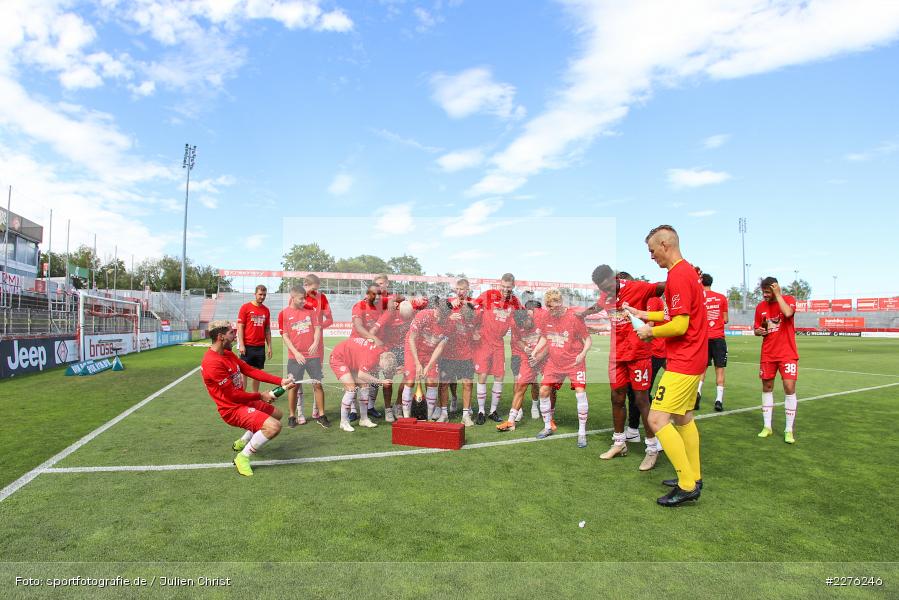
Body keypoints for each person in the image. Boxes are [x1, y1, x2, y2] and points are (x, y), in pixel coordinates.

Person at [625, 225, 707, 506]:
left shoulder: (679, 275)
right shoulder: (682, 273)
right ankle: (694, 476)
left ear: (664, 244)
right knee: (683, 418)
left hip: (684, 360)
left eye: (651, 251)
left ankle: (687, 486)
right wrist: (643, 313)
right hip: (691, 358)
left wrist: (650, 331)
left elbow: (681, 324)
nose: (651, 257)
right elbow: (673, 313)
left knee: (657, 419)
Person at [589, 265, 664, 470]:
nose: (607, 291)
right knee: (616, 397)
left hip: (639, 354)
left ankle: (651, 449)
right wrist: (579, 315)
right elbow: (597, 307)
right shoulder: (605, 296)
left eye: (608, 286)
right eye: (602, 288)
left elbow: (661, 287)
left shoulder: (636, 287)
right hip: (617, 356)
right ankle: (619, 443)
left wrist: (684, 279)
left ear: (615, 278)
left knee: (641, 400)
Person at [201, 320, 295, 477]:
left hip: (242, 401)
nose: (236, 336)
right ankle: (243, 457)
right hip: (231, 409)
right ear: (220, 337)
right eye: (231, 332)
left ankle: (245, 439)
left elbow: (250, 371)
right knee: (274, 427)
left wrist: (280, 381)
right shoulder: (212, 363)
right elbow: (233, 395)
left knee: (277, 414)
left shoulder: (228, 354)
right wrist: (261, 395)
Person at [534, 288, 592, 448]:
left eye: (553, 306)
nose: (551, 309)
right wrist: (536, 350)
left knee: (580, 394)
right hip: (554, 362)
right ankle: (547, 427)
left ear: (561, 303)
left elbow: (587, 339)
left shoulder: (574, 317)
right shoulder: (547, 316)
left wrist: (583, 353)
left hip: (574, 362)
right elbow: (545, 337)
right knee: (543, 391)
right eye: (549, 306)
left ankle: (581, 432)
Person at [754, 277, 799, 444]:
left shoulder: (787, 300)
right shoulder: (760, 307)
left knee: (789, 387)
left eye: (768, 292)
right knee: (767, 387)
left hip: (787, 353)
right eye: (763, 292)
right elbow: (756, 330)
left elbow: (788, 313)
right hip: (768, 354)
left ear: (775, 289)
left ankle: (788, 430)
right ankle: (767, 426)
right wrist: (759, 331)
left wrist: (778, 295)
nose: (765, 295)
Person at [474, 273, 522, 424]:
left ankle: (493, 411)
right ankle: (481, 411)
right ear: (499, 285)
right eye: (503, 286)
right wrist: (474, 329)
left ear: (513, 286)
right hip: (484, 341)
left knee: (499, 377)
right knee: (482, 376)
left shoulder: (515, 302)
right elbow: (472, 308)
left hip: (499, 343)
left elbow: (521, 318)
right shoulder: (488, 295)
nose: (506, 289)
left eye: (509, 287)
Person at [279, 285, 325, 429]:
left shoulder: (310, 310)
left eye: (304, 298)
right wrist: (296, 352)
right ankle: (292, 416)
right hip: (295, 357)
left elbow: (317, 328)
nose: (304, 301)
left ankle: (322, 415)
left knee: (317, 384)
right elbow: (285, 336)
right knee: (293, 386)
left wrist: (316, 343)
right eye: (301, 298)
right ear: (292, 298)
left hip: (313, 356)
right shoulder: (284, 313)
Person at [329, 337, 397, 432]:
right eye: (382, 367)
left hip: (350, 360)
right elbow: (362, 375)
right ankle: (343, 422)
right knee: (351, 389)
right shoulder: (372, 357)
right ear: (381, 359)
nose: (381, 369)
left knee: (365, 386)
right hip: (339, 358)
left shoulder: (383, 352)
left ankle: (364, 419)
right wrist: (380, 381)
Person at [497, 304, 547, 432]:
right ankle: (511, 421)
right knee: (520, 385)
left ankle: (548, 417)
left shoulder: (542, 317)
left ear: (529, 317)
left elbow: (551, 339)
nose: (524, 328)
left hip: (546, 355)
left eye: (525, 325)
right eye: (521, 327)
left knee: (548, 387)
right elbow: (518, 340)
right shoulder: (515, 323)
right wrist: (526, 348)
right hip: (529, 356)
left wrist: (540, 355)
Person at [401, 297, 451, 421]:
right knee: (411, 380)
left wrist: (428, 366)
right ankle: (406, 416)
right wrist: (418, 363)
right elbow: (411, 339)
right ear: (436, 308)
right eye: (439, 313)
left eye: (444, 315)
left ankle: (428, 416)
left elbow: (439, 348)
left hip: (430, 353)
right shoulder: (423, 315)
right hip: (413, 349)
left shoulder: (449, 324)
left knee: (432, 381)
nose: (440, 318)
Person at [440, 279, 479, 426]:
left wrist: (476, 331)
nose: (459, 291)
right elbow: (439, 319)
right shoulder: (448, 302)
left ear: (468, 289)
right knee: (444, 384)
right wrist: (449, 316)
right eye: (457, 288)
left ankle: (465, 415)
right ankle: (444, 414)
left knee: (467, 384)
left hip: (466, 353)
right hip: (448, 352)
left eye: (462, 289)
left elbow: (479, 321)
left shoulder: (473, 304)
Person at [303, 274, 333, 426]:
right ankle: (298, 413)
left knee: (317, 380)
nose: (316, 292)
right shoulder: (297, 298)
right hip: (300, 345)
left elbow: (330, 319)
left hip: (317, 346)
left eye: (317, 289)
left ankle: (318, 412)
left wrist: (318, 328)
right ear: (306, 285)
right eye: (313, 289)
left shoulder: (322, 298)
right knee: (296, 381)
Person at [699, 273, 728, 412]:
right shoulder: (722, 298)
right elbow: (726, 319)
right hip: (718, 338)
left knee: (702, 369)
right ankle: (718, 400)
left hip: (704, 338)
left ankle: (698, 393)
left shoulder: (699, 298)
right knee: (720, 369)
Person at [236, 285, 272, 393]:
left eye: (264, 295)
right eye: (260, 294)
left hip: (260, 347)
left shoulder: (266, 310)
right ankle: (242, 395)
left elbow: (267, 329)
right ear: (255, 294)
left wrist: (269, 346)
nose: (262, 297)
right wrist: (241, 344)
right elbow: (240, 326)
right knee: (244, 373)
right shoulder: (245, 307)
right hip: (247, 346)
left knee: (257, 374)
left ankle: (255, 395)